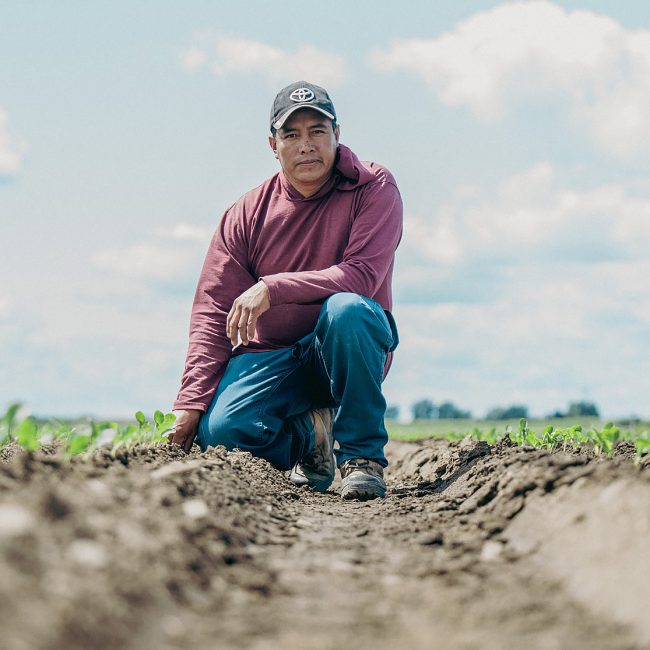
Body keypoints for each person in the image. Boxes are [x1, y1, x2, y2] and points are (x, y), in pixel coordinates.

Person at [168, 81, 402, 500]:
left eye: (317, 131)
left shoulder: (373, 186)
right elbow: (212, 309)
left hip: (346, 350)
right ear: (273, 145)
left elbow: (363, 275)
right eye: (291, 135)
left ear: (336, 134)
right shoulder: (245, 213)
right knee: (221, 435)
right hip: (274, 357)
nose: (306, 145)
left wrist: (272, 288)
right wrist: (191, 402)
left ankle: (361, 458)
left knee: (347, 309)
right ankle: (310, 434)